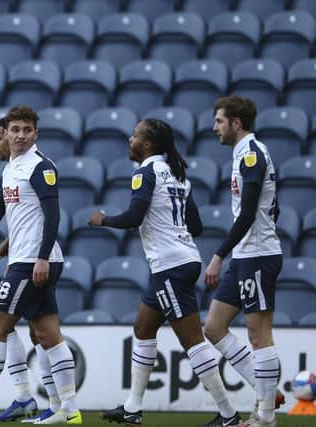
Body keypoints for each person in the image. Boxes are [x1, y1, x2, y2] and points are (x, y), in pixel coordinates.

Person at [94, 119, 240, 427]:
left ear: (147, 145)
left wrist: (103, 220)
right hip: (181, 260)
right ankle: (132, 408)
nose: (130, 139)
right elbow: (197, 226)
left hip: (170, 266)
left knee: (193, 341)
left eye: (135, 135)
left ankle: (228, 414)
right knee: (143, 328)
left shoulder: (145, 172)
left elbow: (134, 217)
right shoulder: (178, 174)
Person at [0, 105, 81, 425]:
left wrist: (41, 256)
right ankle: (69, 409)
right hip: (26, 260)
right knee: (47, 334)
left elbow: (53, 216)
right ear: (6, 134)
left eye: (27, 130)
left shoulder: (40, 167)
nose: (20, 136)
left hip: (32, 262)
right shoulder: (12, 168)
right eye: (15, 130)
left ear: (36, 133)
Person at [203, 96, 283, 427]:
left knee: (258, 334)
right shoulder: (243, 155)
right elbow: (271, 208)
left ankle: (265, 417)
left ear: (237, 123)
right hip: (246, 255)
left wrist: (218, 254)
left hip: (258, 255)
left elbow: (250, 213)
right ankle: (265, 390)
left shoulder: (251, 155)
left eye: (219, 121)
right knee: (214, 327)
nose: (214, 128)